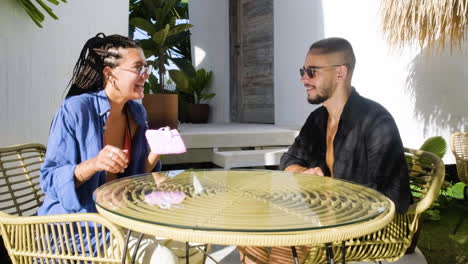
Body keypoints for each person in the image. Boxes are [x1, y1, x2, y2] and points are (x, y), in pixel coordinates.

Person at [239, 37, 411, 264]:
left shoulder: (376, 121)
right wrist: (302, 173)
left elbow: (394, 197)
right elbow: (288, 159)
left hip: (362, 225)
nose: (303, 79)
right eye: (303, 70)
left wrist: (327, 193)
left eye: (312, 71)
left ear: (340, 73)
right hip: (320, 214)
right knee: (247, 228)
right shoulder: (318, 119)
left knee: (284, 239)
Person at [37, 33, 206, 264]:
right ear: (110, 74)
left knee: (194, 243)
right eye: (138, 68)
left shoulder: (136, 114)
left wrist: (155, 151)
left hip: (123, 218)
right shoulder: (76, 110)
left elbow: (135, 179)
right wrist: (93, 164)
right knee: (163, 259)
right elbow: (49, 179)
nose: (145, 76)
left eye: (146, 68)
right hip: (80, 229)